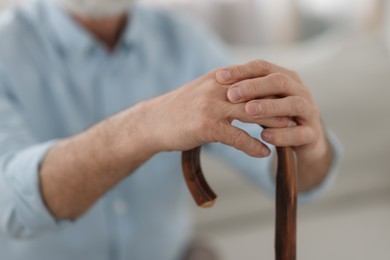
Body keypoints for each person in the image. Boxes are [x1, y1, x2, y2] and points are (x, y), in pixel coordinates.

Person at [0, 0, 341, 259]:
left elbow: (287, 173)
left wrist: (309, 144)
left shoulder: (186, 41)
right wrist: (148, 124)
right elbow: (13, 203)